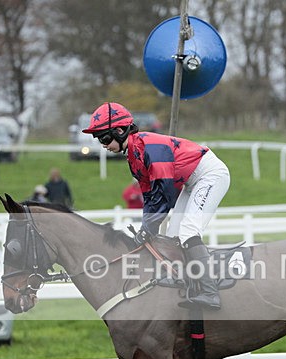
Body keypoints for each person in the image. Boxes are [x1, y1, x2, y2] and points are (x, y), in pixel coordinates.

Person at [83, 102, 230, 309]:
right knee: (172, 236)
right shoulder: (134, 157)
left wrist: (147, 229)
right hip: (192, 180)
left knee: (188, 231)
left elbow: (165, 194)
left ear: (120, 130)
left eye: (105, 138)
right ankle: (187, 282)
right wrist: (146, 227)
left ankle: (209, 291)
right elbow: (150, 196)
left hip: (210, 175)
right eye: (98, 139)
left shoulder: (150, 148)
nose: (103, 144)